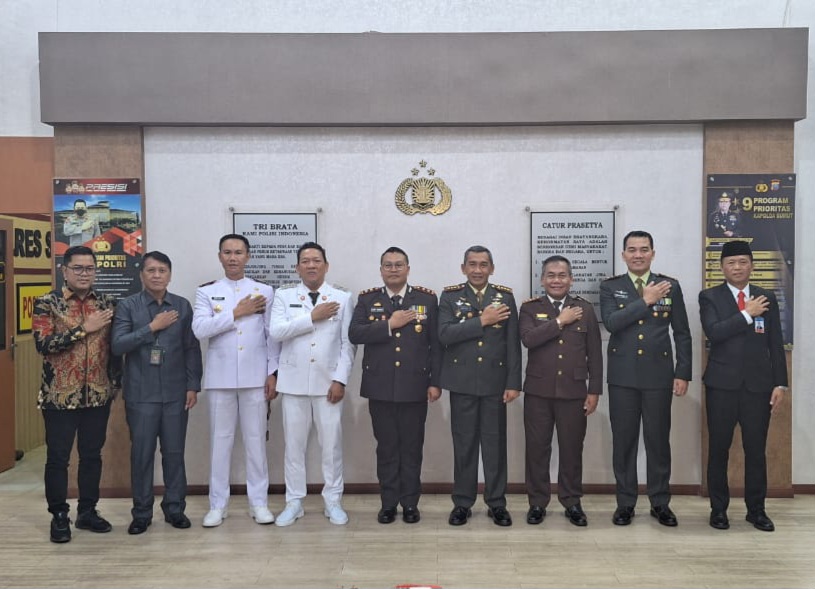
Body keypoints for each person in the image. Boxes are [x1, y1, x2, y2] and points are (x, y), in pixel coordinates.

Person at [600, 230, 692, 527]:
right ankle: (625, 503)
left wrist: (683, 372)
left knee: (658, 442)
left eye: (643, 249)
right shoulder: (610, 286)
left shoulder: (670, 286)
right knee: (624, 443)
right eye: (632, 249)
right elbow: (612, 323)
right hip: (623, 377)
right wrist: (646, 300)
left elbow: (682, 333)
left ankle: (660, 502)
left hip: (658, 376)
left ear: (653, 253)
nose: (638, 255)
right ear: (623, 255)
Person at [348, 246, 442, 524]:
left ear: (408, 269)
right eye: (387, 265)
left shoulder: (426, 299)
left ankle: (410, 504)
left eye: (398, 264)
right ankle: (388, 503)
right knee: (387, 448)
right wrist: (389, 324)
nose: (393, 269)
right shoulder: (368, 299)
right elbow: (355, 333)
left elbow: (436, 345)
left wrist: (435, 382)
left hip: (415, 387)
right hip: (380, 388)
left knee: (412, 449)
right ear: (381, 270)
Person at [32, 245, 120, 543]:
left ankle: (87, 511)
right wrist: (84, 328)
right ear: (65, 270)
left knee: (92, 456)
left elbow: (115, 347)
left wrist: (115, 382)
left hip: (97, 394)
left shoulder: (107, 303)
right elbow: (43, 345)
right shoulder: (48, 303)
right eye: (78, 268)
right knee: (58, 459)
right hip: (59, 396)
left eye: (90, 268)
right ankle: (59, 515)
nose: (84, 274)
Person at [192, 234, 280, 528]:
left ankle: (259, 503)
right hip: (220, 379)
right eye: (227, 252)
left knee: (256, 443)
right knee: (220, 444)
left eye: (238, 252)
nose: (233, 258)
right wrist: (236, 313)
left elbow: (271, 336)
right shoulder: (207, 292)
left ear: (248, 256)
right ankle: (218, 505)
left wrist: (272, 372)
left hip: (255, 378)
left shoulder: (264, 291)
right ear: (220, 256)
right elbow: (200, 329)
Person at [111, 251, 203, 535]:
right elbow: (118, 345)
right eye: (151, 270)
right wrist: (152, 328)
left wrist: (192, 385)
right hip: (141, 393)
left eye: (162, 270)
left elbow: (191, 348)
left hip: (176, 393)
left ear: (170, 275)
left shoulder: (182, 305)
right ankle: (141, 513)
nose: (156, 275)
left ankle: (175, 509)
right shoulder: (128, 306)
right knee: (142, 455)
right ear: (142, 275)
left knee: (174, 453)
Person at [699, 240, 787, 532]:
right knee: (719, 449)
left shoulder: (766, 297)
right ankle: (718, 510)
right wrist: (748, 313)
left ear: (752, 265)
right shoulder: (709, 297)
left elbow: (775, 344)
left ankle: (756, 510)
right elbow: (714, 332)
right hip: (721, 386)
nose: (737, 268)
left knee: (756, 450)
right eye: (731, 263)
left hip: (758, 388)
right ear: (722, 267)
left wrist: (780, 383)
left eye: (742, 262)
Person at [269, 242, 356, 527]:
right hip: (293, 383)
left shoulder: (342, 297)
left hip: (328, 384)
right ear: (297, 267)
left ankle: (333, 500)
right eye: (305, 261)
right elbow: (276, 332)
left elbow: (347, 344)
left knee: (331, 447)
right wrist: (311, 317)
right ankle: (294, 501)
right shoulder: (283, 295)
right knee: (293, 447)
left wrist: (340, 379)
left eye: (316, 260)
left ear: (326, 265)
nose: (311, 265)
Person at [438, 245, 522, 527]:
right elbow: (444, 334)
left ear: (492, 268)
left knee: (495, 446)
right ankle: (462, 503)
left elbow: (512, 344)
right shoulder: (450, 296)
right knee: (464, 446)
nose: (477, 270)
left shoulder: (504, 297)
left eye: (483, 264)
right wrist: (482, 321)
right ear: (463, 268)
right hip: (461, 383)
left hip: (494, 384)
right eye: (472, 264)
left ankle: (497, 503)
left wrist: (513, 382)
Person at [519, 255, 602, 527]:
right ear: (542, 279)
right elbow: (528, 339)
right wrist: (559, 321)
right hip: (538, 392)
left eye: (562, 275)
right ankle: (537, 503)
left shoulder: (585, 308)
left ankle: (572, 501)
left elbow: (595, 353)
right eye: (551, 275)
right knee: (536, 450)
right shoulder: (530, 308)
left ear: (571, 279)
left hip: (573, 391)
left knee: (571, 450)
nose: (556, 280)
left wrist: (594, 391)